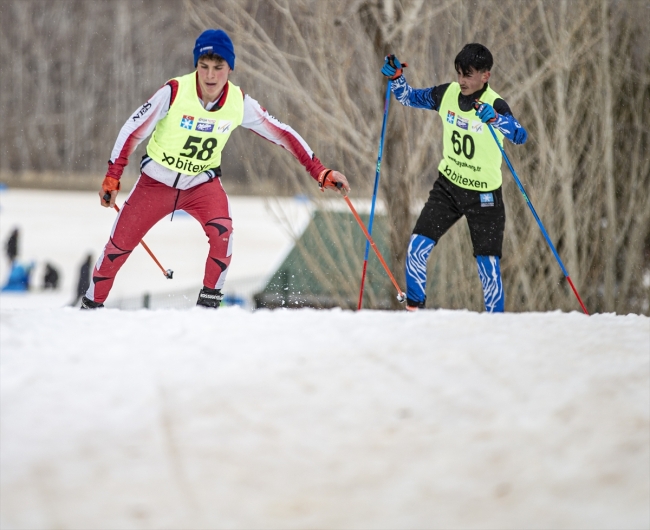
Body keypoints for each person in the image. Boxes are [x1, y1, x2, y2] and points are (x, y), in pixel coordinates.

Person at [81, 29, 350, 310]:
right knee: (119, 246)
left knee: (223, 234)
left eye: (218, 68)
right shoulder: (174, 92)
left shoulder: (239, 103)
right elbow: (132, 129)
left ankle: (207, 309)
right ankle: (90, 306)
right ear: (196, 65)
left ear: (230, 68)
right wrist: (113, 176)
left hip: (201, 184)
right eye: (203, 67)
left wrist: (319, 171)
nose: (210, 76)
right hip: (156, 182)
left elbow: (282, 133)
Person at [381, 43, 528, 312]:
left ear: (486, 75)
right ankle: (415, 312)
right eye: (459, 73)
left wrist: (496, 119)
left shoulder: (495, 103)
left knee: (488, 266)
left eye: (468, 75)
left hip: (484, 195)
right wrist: (396, 79)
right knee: (416, 249)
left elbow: (520, 135)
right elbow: (408, 97)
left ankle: (495, 328)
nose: (461, 80)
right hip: (448, 188)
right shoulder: (447, 93)